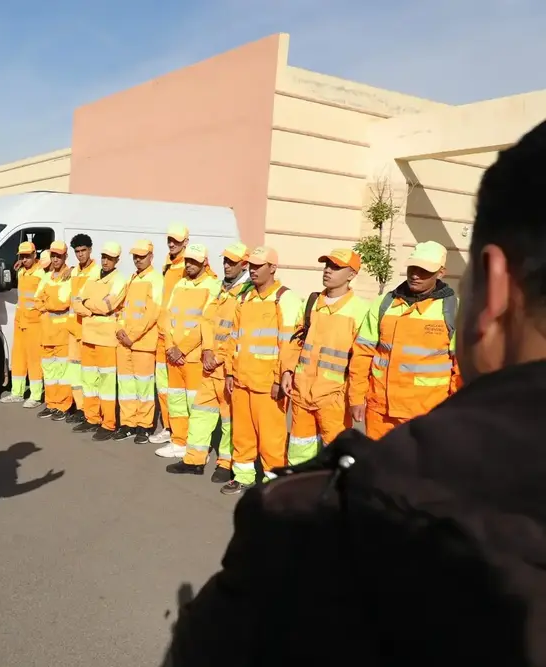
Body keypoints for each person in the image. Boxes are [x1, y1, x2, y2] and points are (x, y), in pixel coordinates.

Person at [166, 119, 546, 667]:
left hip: (402, 419)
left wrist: (293, 511)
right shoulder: (372, 306)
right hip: (357, 404)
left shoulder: (349, 522)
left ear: (494, 287)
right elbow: (365, 355)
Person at [348, 240, 460, 439]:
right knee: (379, 466)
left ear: (441, 273)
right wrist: (356, 396)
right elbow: (362, 352)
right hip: (380, 411)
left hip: (427, 414)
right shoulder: (384, 303)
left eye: (424, 270)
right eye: (412, 267)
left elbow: (460, 367)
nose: (415, 275)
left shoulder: (453, 310)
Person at [220, 246, 303, 495]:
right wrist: (230, 372)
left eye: (259, 266)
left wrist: (282, 377)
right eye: (251, 265)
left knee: (271, 438)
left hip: (268, 384)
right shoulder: (245, 298)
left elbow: (289, 342)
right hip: (242, 379)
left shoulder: (285, 298)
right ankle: (243, 475)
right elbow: (233, 338)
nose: (253, 270)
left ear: (273, 268)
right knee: (242, 434)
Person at [280, 249, 369, 466]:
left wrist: (357, 398)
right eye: (327, 265)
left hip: (334, 398)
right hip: (302, 392)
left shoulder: (360, 310)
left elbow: (361, 360)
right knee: (300, 450)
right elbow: (296, 341)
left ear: (351, 275)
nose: (328, 270)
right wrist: (287, 370)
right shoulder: (311, 303)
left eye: (336, 267)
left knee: (337, 456)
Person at [157, 244, 220, 465]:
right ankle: (178, 441)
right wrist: (170, 347)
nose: (190, 265)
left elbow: (206, 323)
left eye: (195, 261)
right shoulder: (180, 284)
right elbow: (167, 316)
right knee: (176, 402)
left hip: (192, 357)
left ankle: (195, 446)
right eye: (188, 261)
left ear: (204, 262)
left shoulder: (213, 286)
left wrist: (181, 349)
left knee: (196, 406)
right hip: (174, 355)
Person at [203, 243, 251, 483]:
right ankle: (193, 458)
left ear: (245, 264)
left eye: (232, 262)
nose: (227, 265)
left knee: (229, 418)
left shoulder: (247, 292)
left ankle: (226, 462)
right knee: (202, 412)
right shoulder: (220, 288)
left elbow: (239, 332)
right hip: (210, 361)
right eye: (225, 261)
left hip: (228, 364)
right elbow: (207, 320)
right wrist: (207, 350)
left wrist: (219, 356)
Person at [72, 242, 127, 441]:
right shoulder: (93, 276)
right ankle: (92, 417)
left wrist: (87, 305)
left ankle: (109, 423)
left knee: (106, 382)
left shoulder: (119, 280)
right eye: (103, 256)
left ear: (117, 260)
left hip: (105, 338)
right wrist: (89, 306)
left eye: (110, 258)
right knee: (89, 380)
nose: (105, 261)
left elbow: (108, 305)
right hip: (88, 335)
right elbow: (76, 302)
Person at [114, 240, 164, 443]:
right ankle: (128, 423)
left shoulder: (156, 279)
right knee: (126, 386)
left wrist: (131, 336)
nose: (138, 259)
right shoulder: (132, 278)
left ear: (151, 256)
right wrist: (119, 329)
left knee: (143, 386)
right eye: (135, 256)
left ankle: (144, 425)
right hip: (125, 340)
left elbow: (152, 313)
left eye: (142, 256)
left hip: (142, 342)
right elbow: (123, 308)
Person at [150, 224, 190, 445]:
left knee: (178, 390)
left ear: (186, 242)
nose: (172, 244)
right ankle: (168, 426)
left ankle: (181, 432)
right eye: (169, 240)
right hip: (161, 334)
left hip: (176, 337)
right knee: (164, 387)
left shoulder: (188, 264)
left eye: (176, 240)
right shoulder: (168, 264)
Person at [0, 242, 46, 407]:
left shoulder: (42, 273)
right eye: (22, 256)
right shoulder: (21, 272)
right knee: (18, 358)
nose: (25, 259)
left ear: (35, 254)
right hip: (20, 321)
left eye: (27, 256)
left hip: (35, 322)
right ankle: (17, 393)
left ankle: (35, 395)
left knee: (34, 360)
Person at [34, 241, 75, 420]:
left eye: (59, 255)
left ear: (65, 256)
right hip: (47, 333)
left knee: (63, 372)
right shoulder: (46, 277)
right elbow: (37, 300)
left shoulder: (69, 277)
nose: (55, 259)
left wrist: (48, 303)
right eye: (53, 255)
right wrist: (51, 304)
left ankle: (64, 406)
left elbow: (64, 302)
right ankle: (51, 404)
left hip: (62, 334)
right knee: (49, 372)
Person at [65, 234, 101, 424]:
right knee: (75, 372)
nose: (80, 254)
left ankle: (91, 410)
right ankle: (80, 407)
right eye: (77, 251)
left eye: (83, 250)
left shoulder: (97, 271)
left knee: (90, 373)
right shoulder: (74, 272)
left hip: (89, 328)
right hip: (73, 328)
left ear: (90, 250)